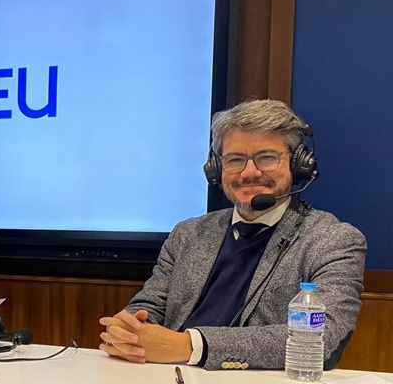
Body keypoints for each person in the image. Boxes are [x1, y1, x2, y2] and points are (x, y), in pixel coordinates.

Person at [99, 100, 366, 370]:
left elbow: (323, 335)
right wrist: (129, 330)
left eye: (267, 157)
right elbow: (148, 306)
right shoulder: (188, 234)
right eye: (235, 160)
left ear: (298, 164)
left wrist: (191, 345)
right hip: (170, 380)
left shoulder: (333, 240)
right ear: (216, 169)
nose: (250, 173)